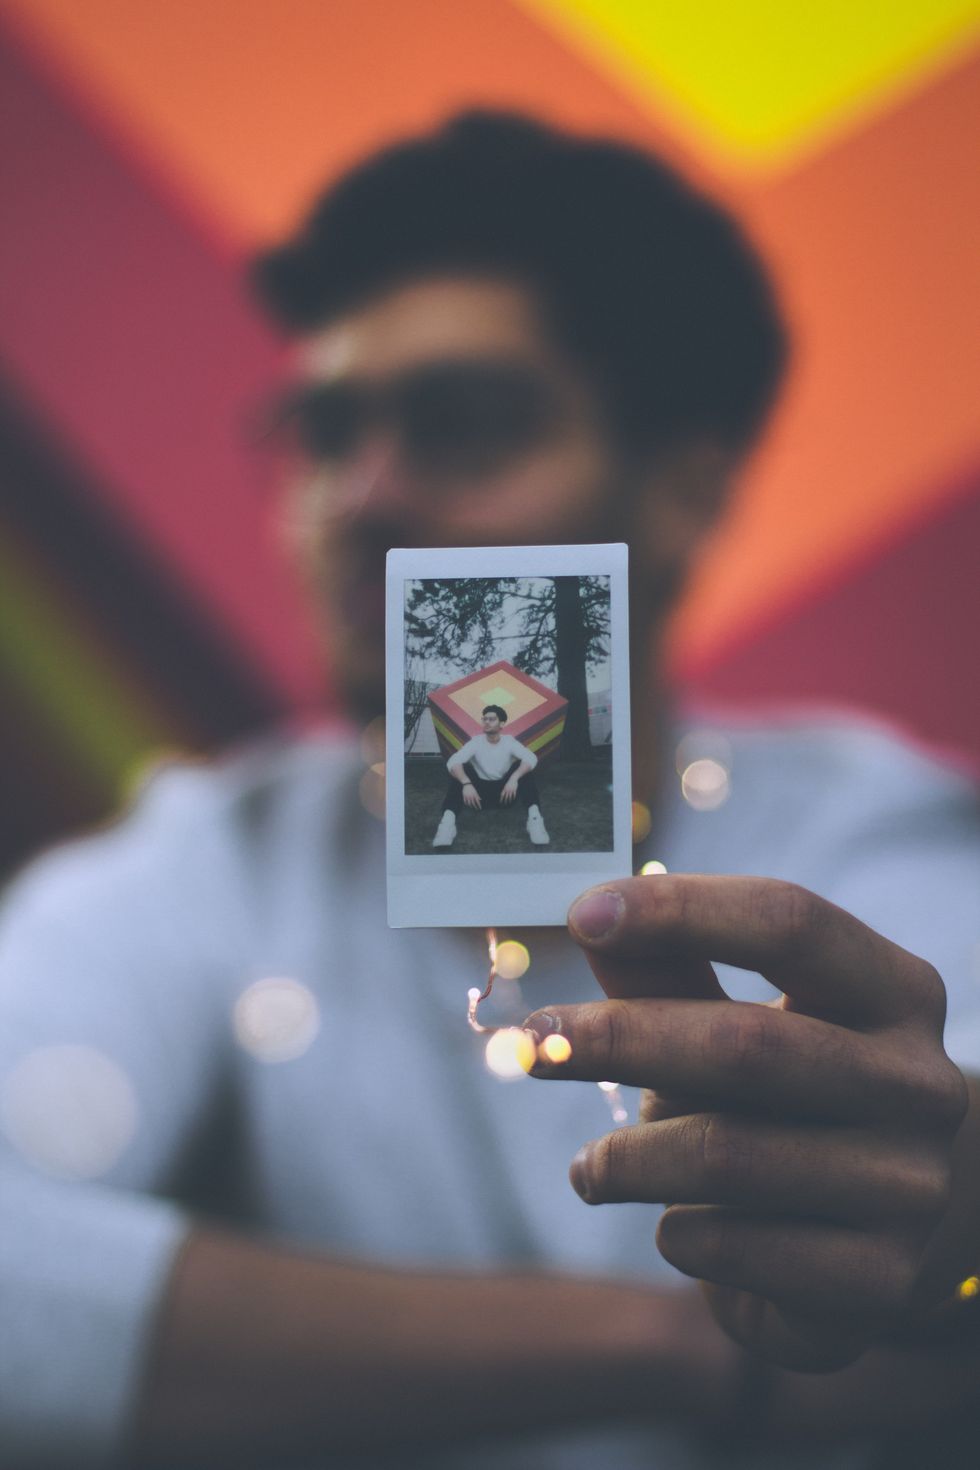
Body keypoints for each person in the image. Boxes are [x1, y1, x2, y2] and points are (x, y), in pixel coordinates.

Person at [1, 110, 980, 1470]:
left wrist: (964, 1231)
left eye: (465, 425)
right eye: (325, 431)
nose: (361, 493)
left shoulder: (878, 838)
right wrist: (679, 1349)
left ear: (683, 492)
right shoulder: (214, 856)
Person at [434, 703, 549, 846]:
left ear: (502, 723)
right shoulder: (476, 741)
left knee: (522, 769)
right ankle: (447, 824)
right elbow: (452, 762)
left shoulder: (509, 741)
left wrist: (513, 779)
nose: (487, 722)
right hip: (479, 797)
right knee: (461, 768)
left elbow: (531, 758)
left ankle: (535, 820)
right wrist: (466, 783)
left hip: (505, 795)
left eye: (492, 719)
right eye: (485, 719)